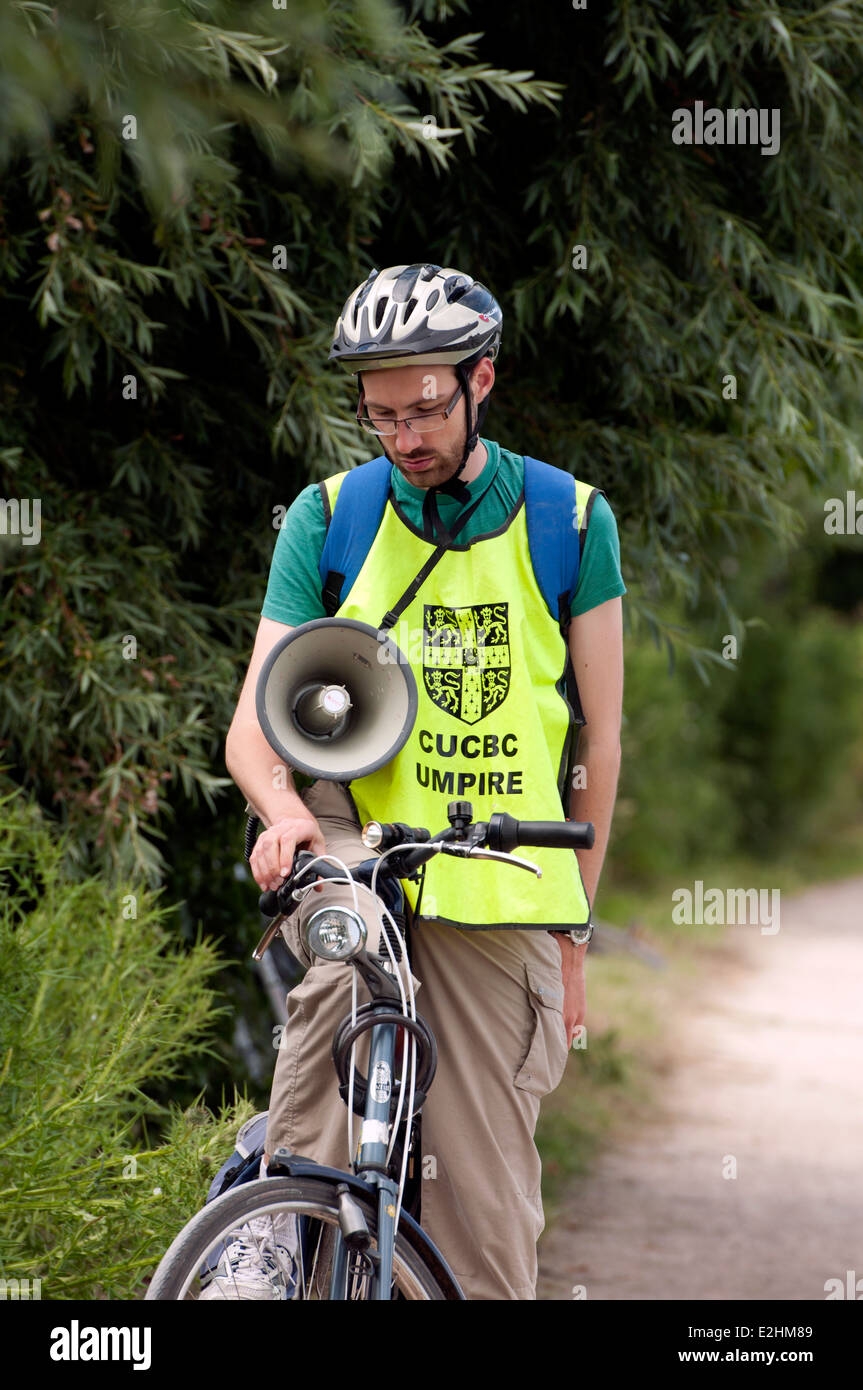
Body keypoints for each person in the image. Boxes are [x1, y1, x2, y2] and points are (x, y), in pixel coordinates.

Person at [219, 262, 625, 1300]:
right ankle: (273, 1212)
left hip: (504, 879)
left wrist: (573, 933)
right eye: (381, 414)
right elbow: (251, 730)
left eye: (427, 408)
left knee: (482, 1239)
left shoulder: (569, 522)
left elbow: (598, 745)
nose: (404, 436)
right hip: (364, 843)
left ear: (480, 380)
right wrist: (280, 817)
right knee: (345, 931)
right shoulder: (328, 517)